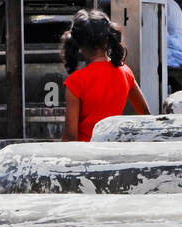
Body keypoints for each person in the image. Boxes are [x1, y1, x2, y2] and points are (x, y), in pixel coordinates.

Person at [60, 9, 150, 142]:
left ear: (80, 45)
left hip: (83, 155)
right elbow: (145, 114)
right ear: (107, 38)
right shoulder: (125, 72)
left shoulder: (75, 82)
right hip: (112, 152)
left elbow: (71, 137)